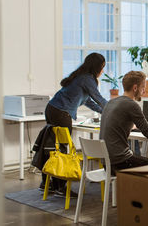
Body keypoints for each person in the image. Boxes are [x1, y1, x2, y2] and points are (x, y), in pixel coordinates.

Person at [41, 52, 108, 197]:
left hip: (52, 109)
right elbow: (99, 98)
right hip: (61, 113)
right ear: (97, 67)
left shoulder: (80, 76)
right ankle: (61, 187)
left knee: (54, 147)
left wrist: (105, 112)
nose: (103, 70)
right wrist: (114, 109)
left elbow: (88, 101)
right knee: (63, 150)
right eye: (102, 67)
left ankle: (49, 183)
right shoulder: (87, 79)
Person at [100, 71, 148, 174]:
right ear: (135, 88)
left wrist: (130, 126)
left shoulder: (111, 102)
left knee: (141, 158)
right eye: (143, 87)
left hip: (107, 163)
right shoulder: (131, 105)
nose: (144, 91)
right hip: (120, 163)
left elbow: (117, 124)